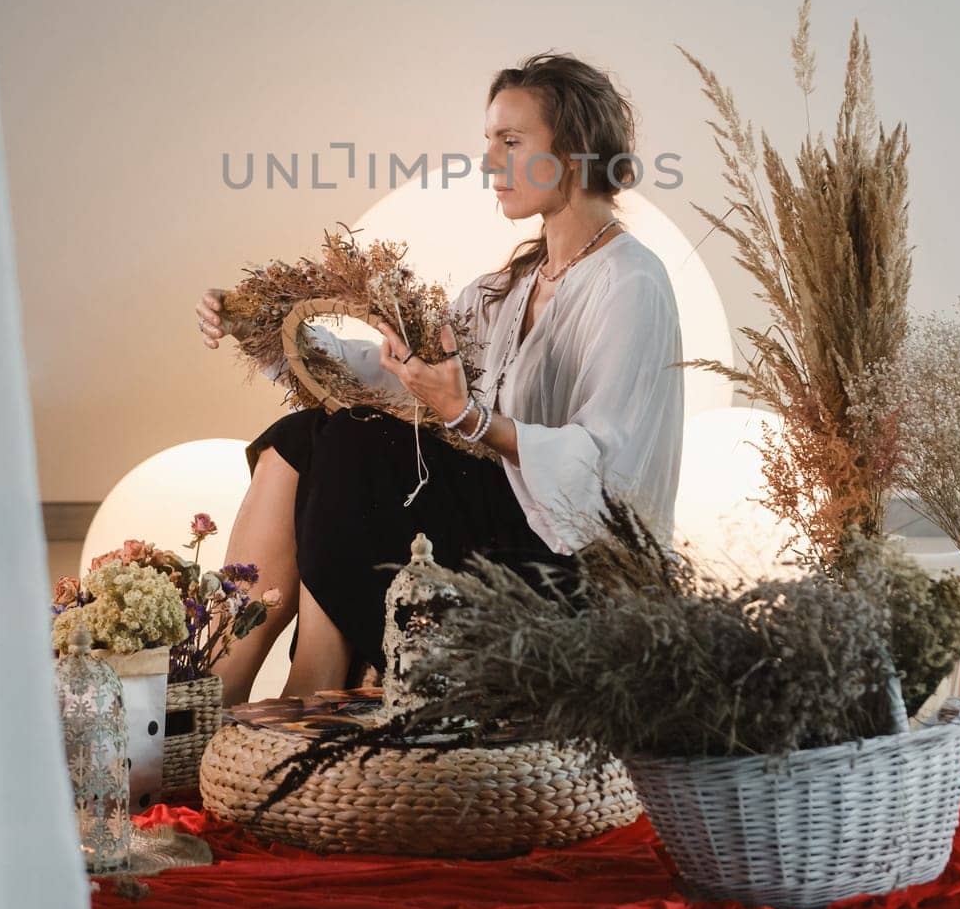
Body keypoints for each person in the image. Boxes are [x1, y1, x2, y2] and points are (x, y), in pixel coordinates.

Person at [196, 52, 684, 704]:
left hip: (567, 566)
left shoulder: (629, 282)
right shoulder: (502, 289)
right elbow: (392, 375)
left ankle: (312, 677)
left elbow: (605, 470)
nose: (489, 163)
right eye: (489, 142)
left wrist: (469, 418)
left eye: (510, 142)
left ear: (574, 153)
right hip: (498, 526)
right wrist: (265, 323)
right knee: (304, 434)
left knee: (350, 439)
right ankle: (215, 692)